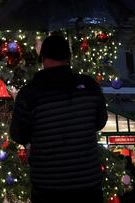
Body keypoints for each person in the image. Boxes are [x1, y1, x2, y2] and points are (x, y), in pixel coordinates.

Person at [10, 35, 108, 203]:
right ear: (69, 57)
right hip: (88, 185)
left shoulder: (29, 94)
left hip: (49, 188)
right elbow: (100, 122)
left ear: (43, 58)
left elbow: (18, 135)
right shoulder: (89, 86)